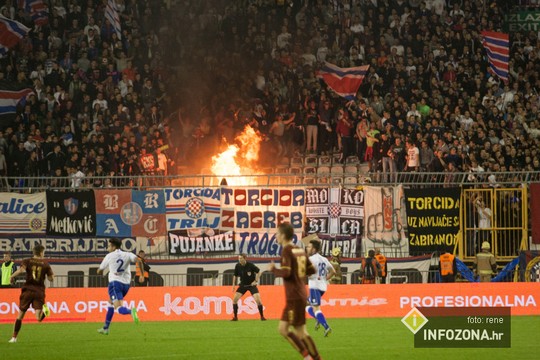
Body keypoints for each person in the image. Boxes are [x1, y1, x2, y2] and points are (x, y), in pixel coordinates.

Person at [270, 222, 321, 360]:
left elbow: (286, 273)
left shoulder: (286, 250)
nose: (276, 236)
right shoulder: (299, 249)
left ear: (283, 235)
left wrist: (274, 269)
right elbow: (312, 270)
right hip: (300, 293)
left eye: (277, 233)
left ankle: (313, 358)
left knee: (300, 332)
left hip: (294, 296)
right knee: (284, 329)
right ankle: (309, 357)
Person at [8, 244, 54, 343]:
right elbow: (51, 278)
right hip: (39, 291)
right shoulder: (45, 264)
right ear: (41, 252)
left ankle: (14, 338)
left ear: (34, 252)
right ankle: (45, 311)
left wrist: (11, 276)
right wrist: (49, 276)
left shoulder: (27, 261)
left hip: (27, 290)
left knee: (20, 315)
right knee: (38, 318)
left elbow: (21, 270)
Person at [97, 238, 140, 335]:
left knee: (118, 308)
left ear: (113, 246)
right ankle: (106, 328)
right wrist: (141, 274)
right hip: (126, 285)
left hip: (114, 284)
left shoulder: (109, 256)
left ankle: (130, 312)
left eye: (108, 246)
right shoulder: (127, 254)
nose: (107, 248)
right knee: (110, 303)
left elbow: (100, 269)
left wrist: (99, 271)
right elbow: (138, 260)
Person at [306, 239, 335, 337]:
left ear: (314, 249)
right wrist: (324, 279)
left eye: (309, 247)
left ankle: (326, 327)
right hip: (322, 286)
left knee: (316, 309)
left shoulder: (311, 259)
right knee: (306, 303)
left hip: (314, 286)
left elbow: (309, 274)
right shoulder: (324, 259)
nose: (307, 248)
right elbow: (333, 272)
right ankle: (319, 319)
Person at [231, 253, 266, 321]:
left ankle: (262, 317)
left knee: (258, 301)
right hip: (243, 285)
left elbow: (259, 272)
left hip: (251, 286)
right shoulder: (237, 266)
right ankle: (235, 317)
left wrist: (255, 281)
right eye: (239, 258)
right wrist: (233, 285)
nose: (239, 260)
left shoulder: (250, 265)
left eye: (241, 258)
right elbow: (235, 275)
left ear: (244, 258)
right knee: (234, 300)